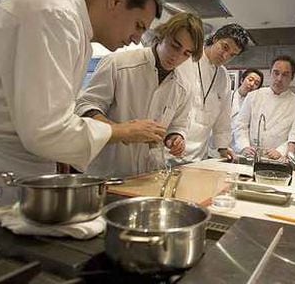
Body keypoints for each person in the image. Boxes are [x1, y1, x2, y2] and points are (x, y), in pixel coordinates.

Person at [0, 0, 163, 176]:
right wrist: (123, 132)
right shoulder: (54, 16)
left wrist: (60, 155)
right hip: (6, 171)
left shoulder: (77, 34)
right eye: (138, 25)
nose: (137, 39)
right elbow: (45, 131)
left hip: (24, 167)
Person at [75, 13, 204, 177]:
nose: (177, 57)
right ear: (163, 35)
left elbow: (178, 125)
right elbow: (85, 106)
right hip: (108, 173)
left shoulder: (183, 86)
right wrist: (122, 131)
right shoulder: (118, 63)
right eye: (175, 46)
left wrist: (175, 138)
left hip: (149, 175)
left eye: (186, 53)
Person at [178, 23, 249, 162]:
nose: (225, 56)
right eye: (225, 47)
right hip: (173, 147)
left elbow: (223, 115)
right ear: (215, 38)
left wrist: (223, 146)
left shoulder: (224, 76)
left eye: (232, 55)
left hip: (198, 154)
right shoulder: (186, 60)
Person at [234, 55, 295, 160]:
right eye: (276, 73)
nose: (279, 79)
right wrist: (244, 146)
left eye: (285, 75)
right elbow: (241, 125)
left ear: (292, 77)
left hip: (277, 159)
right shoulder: (254, 96)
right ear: (270, 73)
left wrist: (280, 151)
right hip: (251, 156)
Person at [230, 69, 264, 151]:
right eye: (250, 80)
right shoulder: (227, 96)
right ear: (242, 80)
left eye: (256, 84)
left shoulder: (256, 105)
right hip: (219, 146)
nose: (252, 84)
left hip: (239, 149)